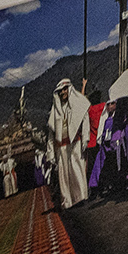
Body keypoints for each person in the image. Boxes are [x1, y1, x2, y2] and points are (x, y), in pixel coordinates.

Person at [47, 78, 93, 208]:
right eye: (60, 91)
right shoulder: (55, 111)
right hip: (61, 147)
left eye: (64, 89)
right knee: (64, 175)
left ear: (69, 88)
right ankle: (68, 202)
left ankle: (81, 197)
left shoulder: (79, 104)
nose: (62, 93)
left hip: (75, 144)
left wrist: (85, 138)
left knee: (77, 170)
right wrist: (50, 153)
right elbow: (51, 135)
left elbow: (85, 122)